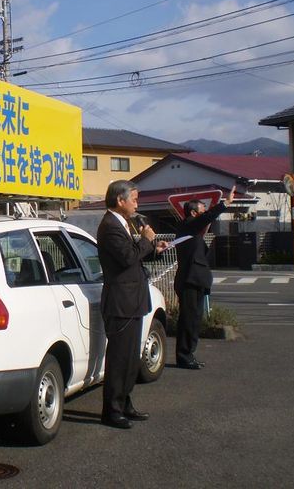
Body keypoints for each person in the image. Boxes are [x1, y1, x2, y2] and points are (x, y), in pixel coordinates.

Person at [96, 180, 167, 429]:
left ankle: (125, 402)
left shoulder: (123, 224)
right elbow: (127, 257)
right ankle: (112, 410)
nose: (137, 203)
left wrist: (154, 248)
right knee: (118, 358)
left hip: (133, 300)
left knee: (129, 358)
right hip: (120, 302)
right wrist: (147, 240)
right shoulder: (109, 226)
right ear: (120, 200)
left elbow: (133, 255)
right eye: (134, 198)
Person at [174, 186, 235, 370]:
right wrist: (225, 204)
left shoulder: (194, 231)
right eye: (202, 211)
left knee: (195, 319)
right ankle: (184, 356)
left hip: (196, 280)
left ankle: (189, 354)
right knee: (188, 319)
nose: (205, 214)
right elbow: (207, 218)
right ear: (193, 213)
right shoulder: (187, 225)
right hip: (189, 280)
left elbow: (205, 222)